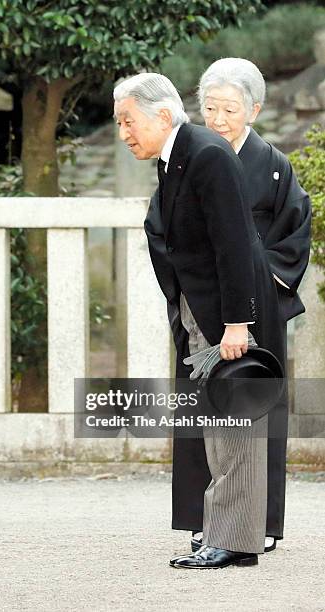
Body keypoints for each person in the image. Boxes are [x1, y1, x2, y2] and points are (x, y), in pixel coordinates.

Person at [114, 73, 284, 568]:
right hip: (201, 307)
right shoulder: (177, 157)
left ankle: (232, 539)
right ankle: (227, 532)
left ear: (162, 115)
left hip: (224, 315)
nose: (124, 132)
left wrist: (236, 325)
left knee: (233, 422)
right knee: (216, 419)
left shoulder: (206, 154)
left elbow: (234, 244)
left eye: (129, 120)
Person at [170, 58, 311, 555]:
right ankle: (201, 518)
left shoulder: (273, 164)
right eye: (209, 107)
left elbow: (294, 234)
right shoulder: (186, 159)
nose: (219, 118)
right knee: (200, 410)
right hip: (202, 300)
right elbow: (165, 227)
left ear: (254, 109)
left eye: (230, 108)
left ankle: (261, 522)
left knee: (253, 409)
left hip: (255, 306)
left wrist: (255, 281)